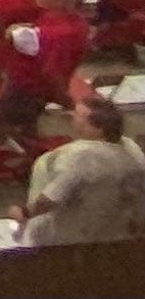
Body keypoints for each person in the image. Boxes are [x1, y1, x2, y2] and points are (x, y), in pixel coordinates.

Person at [20, 91, 145, 244]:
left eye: (79, 115)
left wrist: (23, 213)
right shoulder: (133, 152)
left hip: (66, 242)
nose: (72, 116)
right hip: (116, 237)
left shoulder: (79, 157)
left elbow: (51, 198)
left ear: (97, 128)